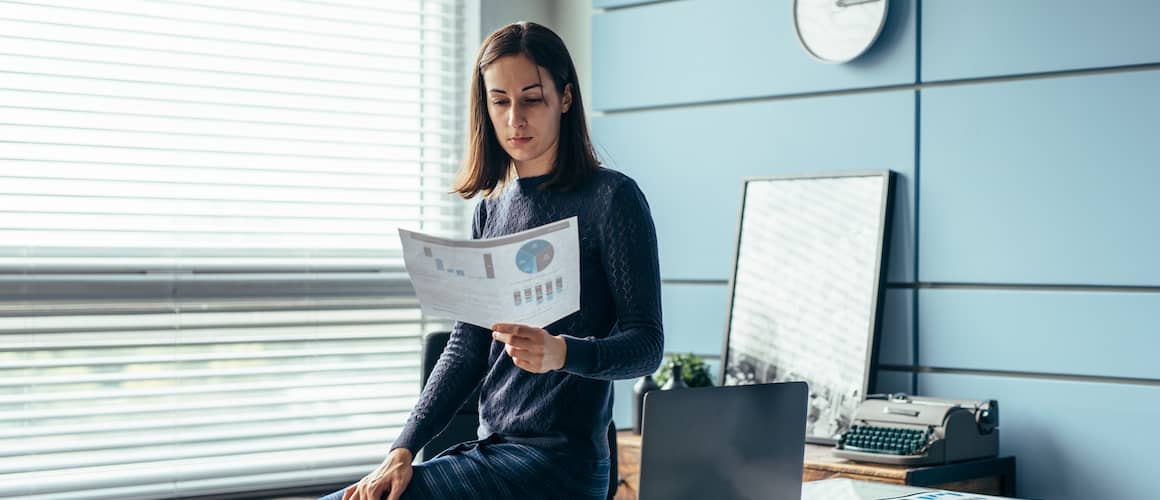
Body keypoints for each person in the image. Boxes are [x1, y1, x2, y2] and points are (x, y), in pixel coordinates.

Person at [320, 21, 664, 500]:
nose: (514, 119)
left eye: (532, 99)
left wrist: (562, 353)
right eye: (499, 101)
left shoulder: (612, 198)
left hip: (562, 466)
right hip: (492, 450)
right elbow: (467, 346)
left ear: (565, 99)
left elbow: (647, 345)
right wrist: (403, 447)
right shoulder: (491, 209)